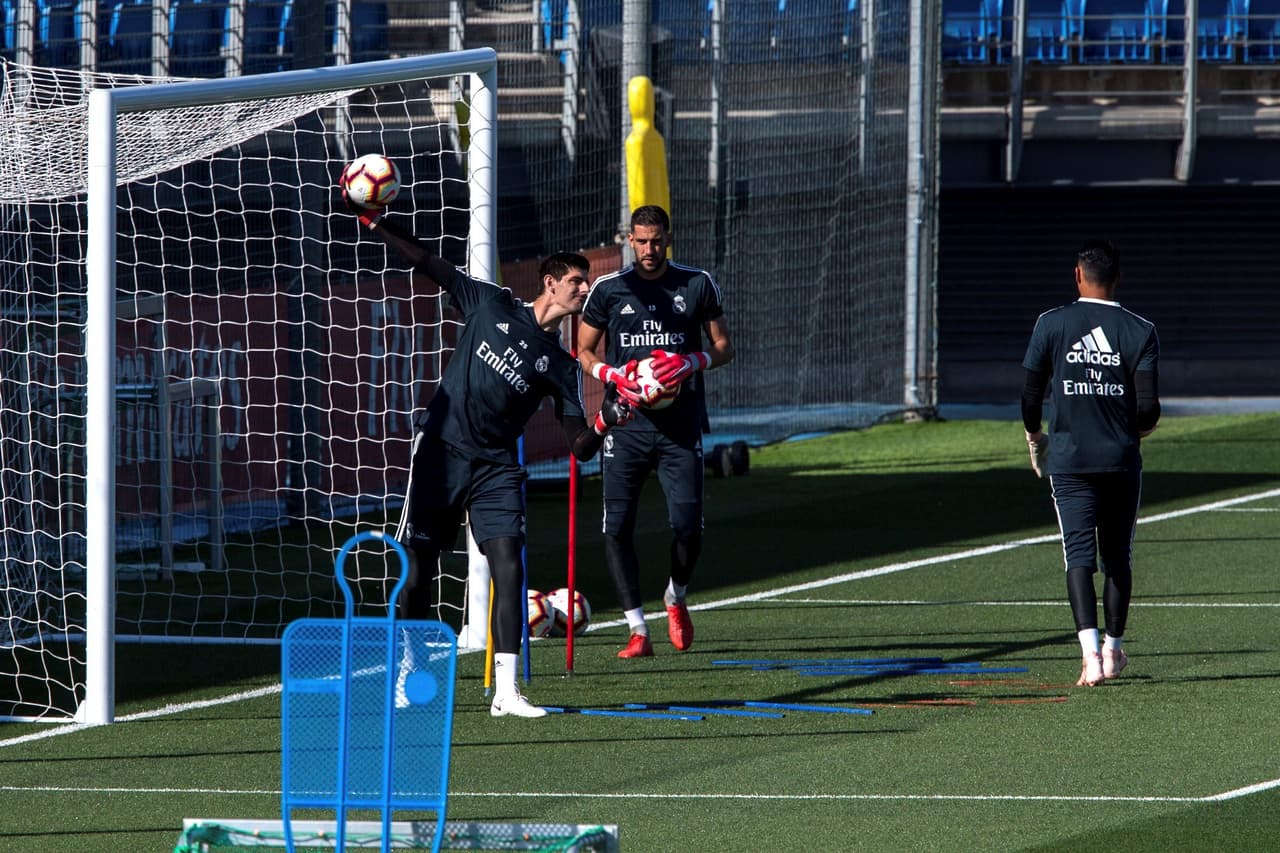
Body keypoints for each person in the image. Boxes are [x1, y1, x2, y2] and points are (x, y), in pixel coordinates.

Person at [345, 197, 633, 718]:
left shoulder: (563, 365)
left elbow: (578, 446)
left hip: (496, 469)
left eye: (587, 283)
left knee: (509, 566)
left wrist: (609, 418)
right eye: (577, 281)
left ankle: (506, 690)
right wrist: (376, 223)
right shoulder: (490, 303)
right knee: (418, 569)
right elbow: (427, 262)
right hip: (441, 451)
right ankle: (410, 667)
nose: (584, 289)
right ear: (550, 283)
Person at [577, 204, 735, 659]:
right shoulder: (609, 289)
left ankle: (676, 597)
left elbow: (723, 346)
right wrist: (613, 375)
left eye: (656, 240)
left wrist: (693, 361)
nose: (649, 249)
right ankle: (638, 629)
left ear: (668, 237)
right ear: (630, 239)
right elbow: (583, 350)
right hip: (625, 424)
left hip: (680, 427)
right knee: (616, 528)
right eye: (641, 241)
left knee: (688, 528)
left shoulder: (696, 283)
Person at [1021, 238, 1160, 687]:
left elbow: (1029, 396)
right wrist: (1135, 429)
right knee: (1118, 555)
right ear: (1118, 278)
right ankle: (1114, 650)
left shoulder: (1051, 323)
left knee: (1078, 555)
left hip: (1069, 461)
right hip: (1121, 461)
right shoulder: (1140, 329)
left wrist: (1035, 435)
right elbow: (1148, 410)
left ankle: (1089, 657)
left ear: (1078, 275)